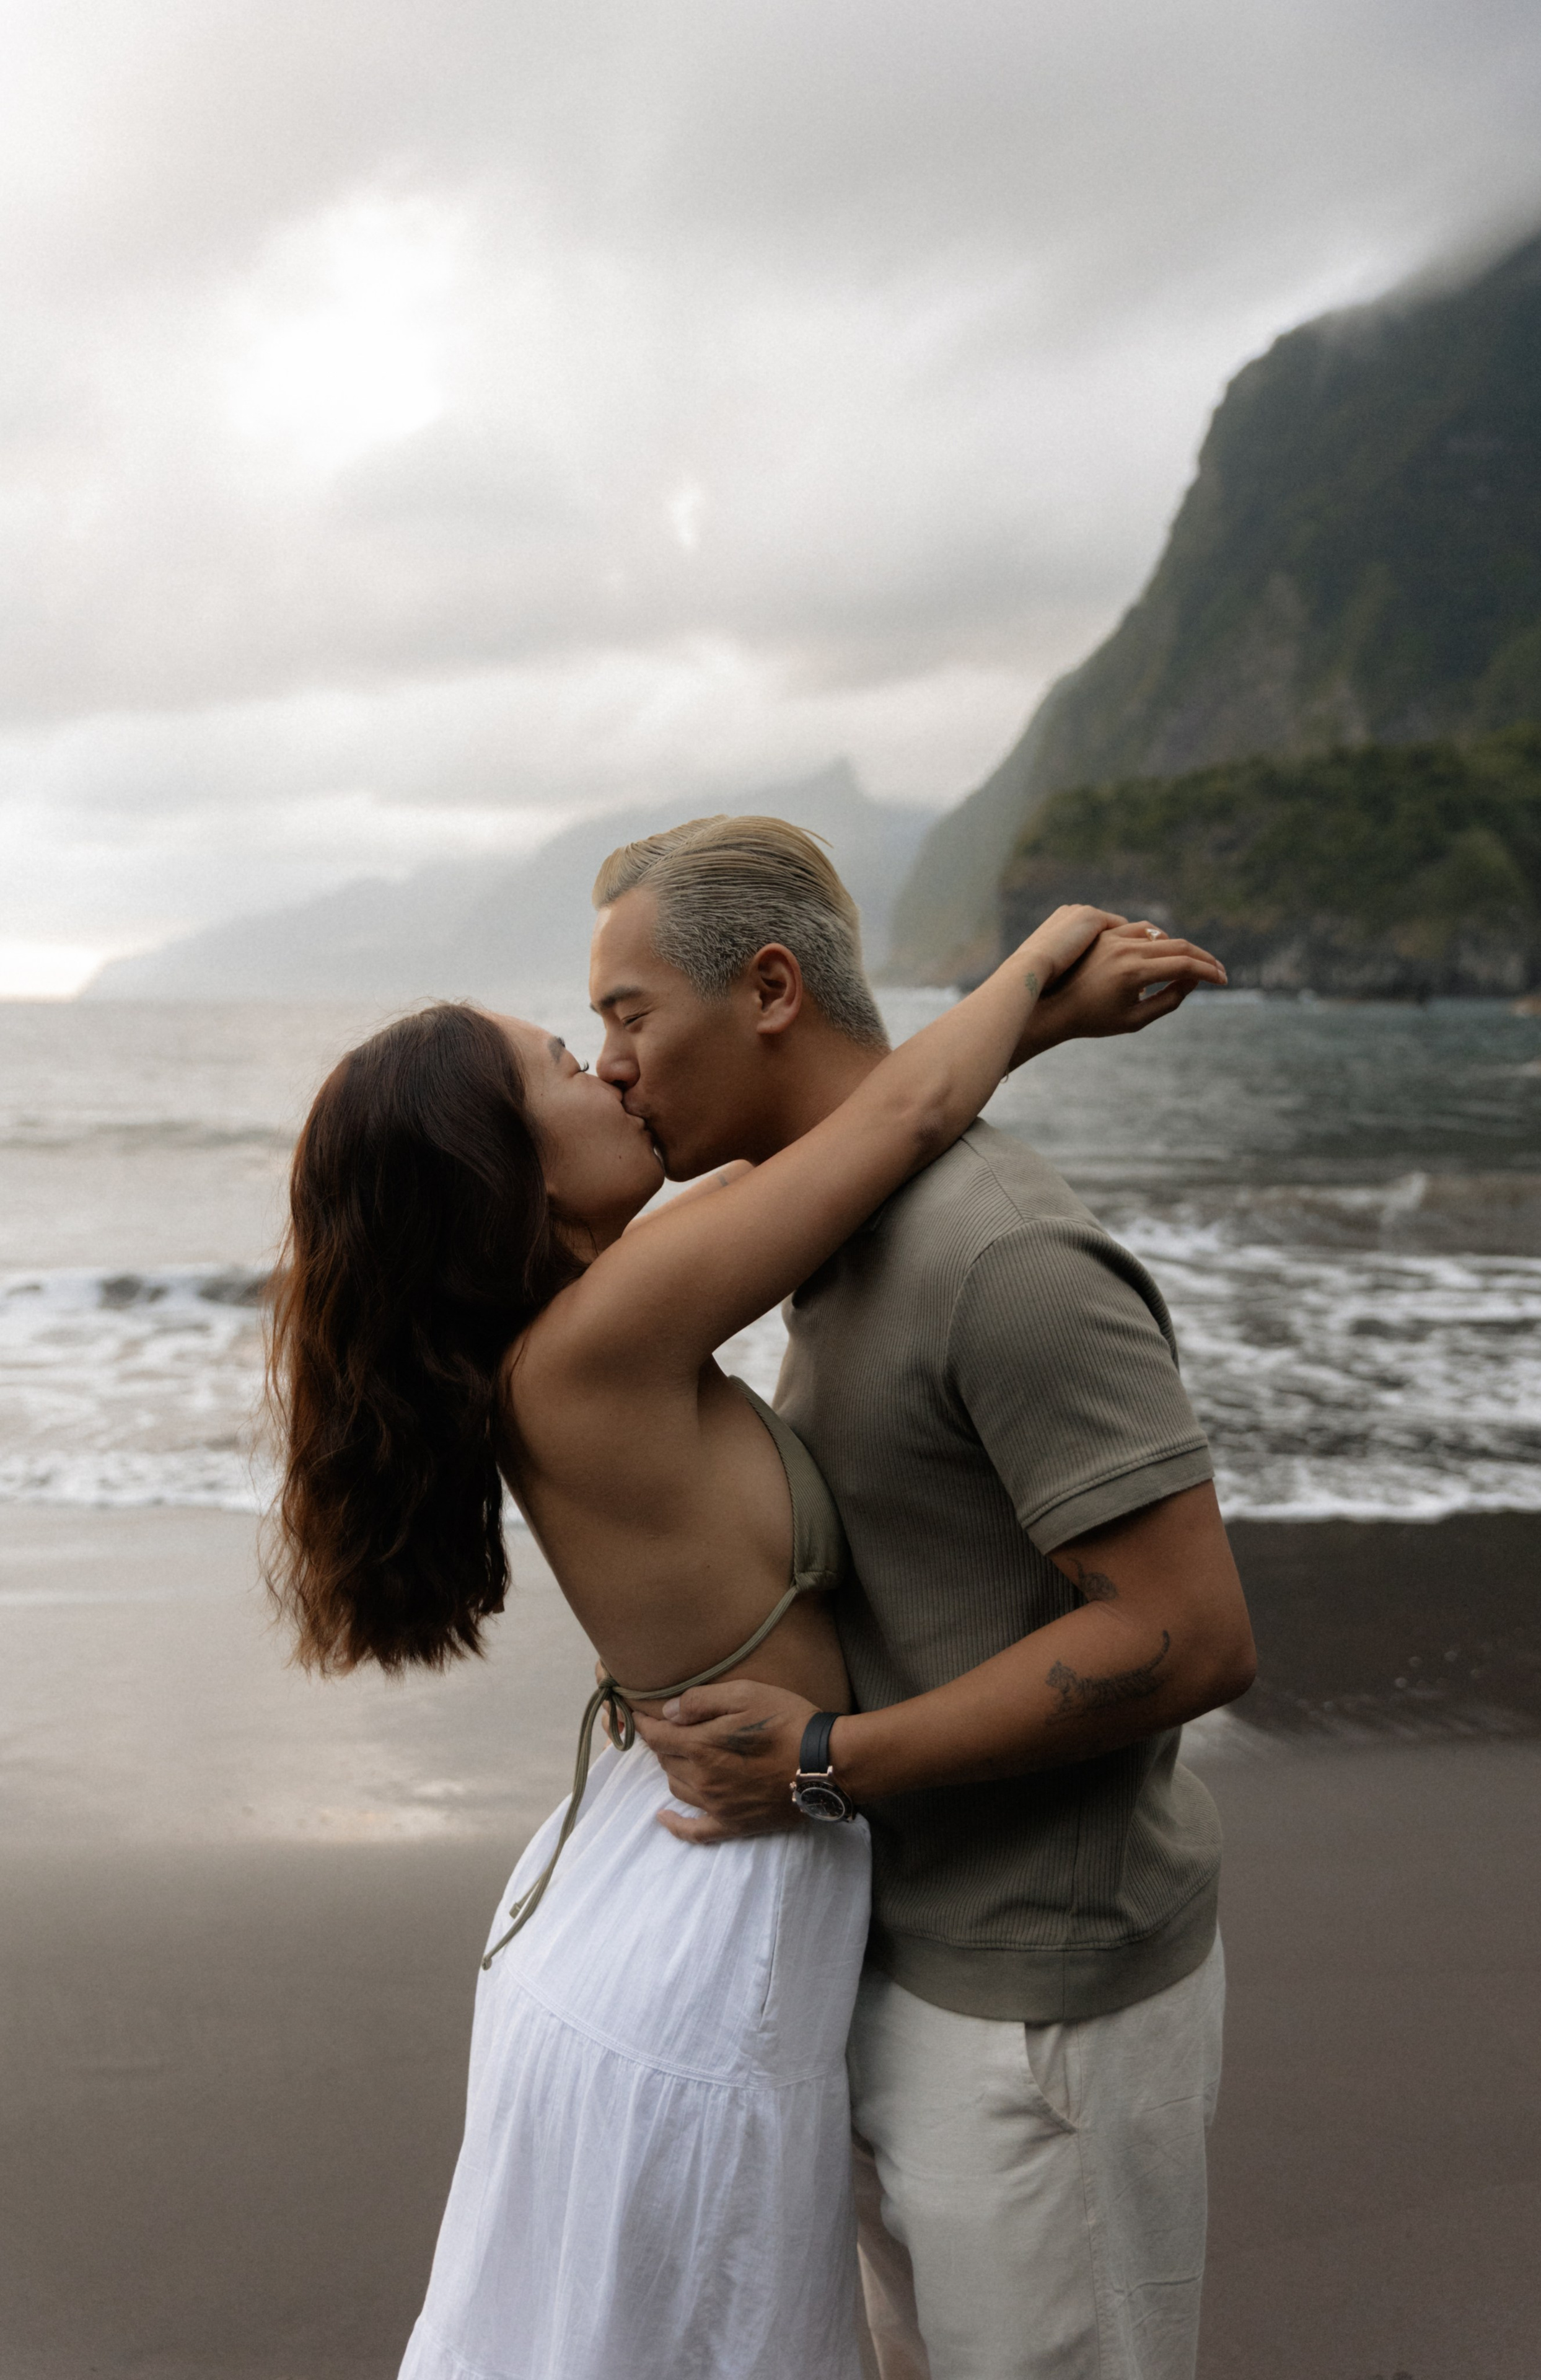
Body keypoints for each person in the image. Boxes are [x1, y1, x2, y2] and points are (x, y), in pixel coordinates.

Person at [263, 839, 1225, 2380]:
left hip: (682, 1897)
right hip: (711, 1913)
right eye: (570, 1061)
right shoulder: (604, 1336)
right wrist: (1036, 972)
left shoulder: (600, 1327)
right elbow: (896, 1111)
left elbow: (859, 1135)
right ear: (500, 1172)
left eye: (612, 1026)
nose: (615, 1076)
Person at [588, 816, 1258, 2380]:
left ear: (764, 991)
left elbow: (1191, 1630)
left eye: (629, 1015)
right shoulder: (835, 1237)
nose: (609, 1063)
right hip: (900, 1961)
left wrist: (821, 1761)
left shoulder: (1000, 1255)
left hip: (1043, 2009)